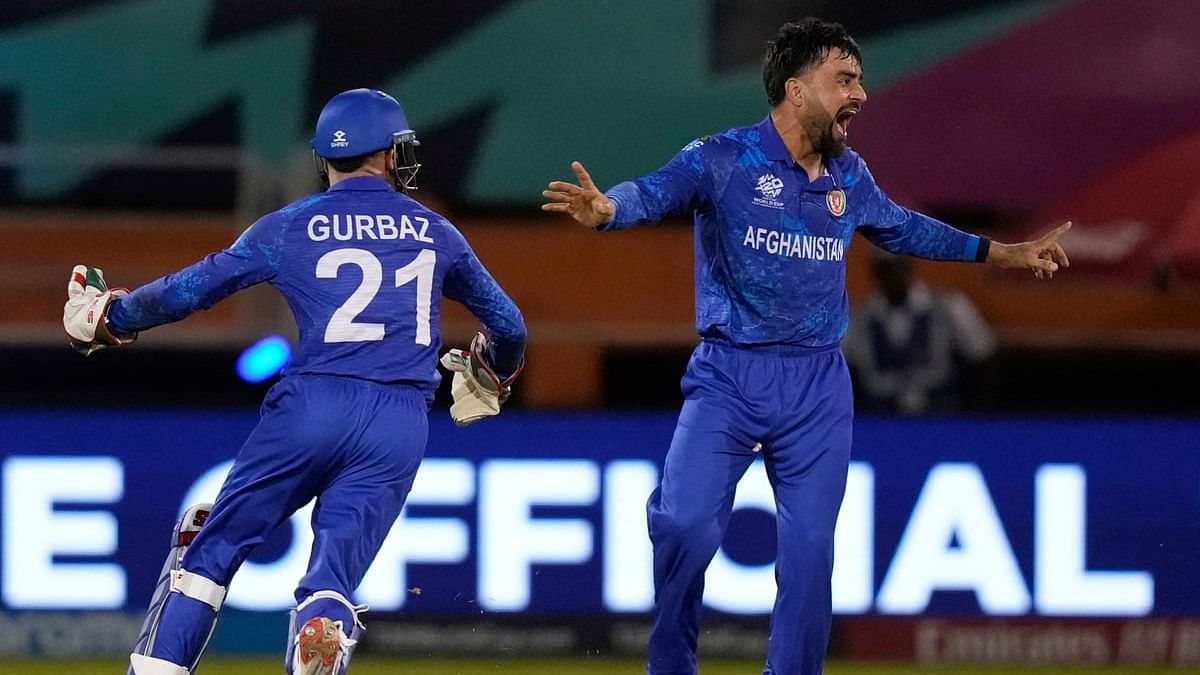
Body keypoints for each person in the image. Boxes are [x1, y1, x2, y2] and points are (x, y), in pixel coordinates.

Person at [541, 17, 1068, 675]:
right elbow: (651, 192)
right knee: (683, 527)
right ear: (796, 89)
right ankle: (670, 666)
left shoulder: (852, 175)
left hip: (817, 384)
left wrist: (1002, 252)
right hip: (729, 376)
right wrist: (611, 211)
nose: (862, 94)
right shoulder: (724, 158)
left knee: (812, 550)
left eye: (861, 79)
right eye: (845, 79)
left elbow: (902, 229)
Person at [63, 88, 526, 675]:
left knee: (208, 549)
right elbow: (509, 323)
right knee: (332, 581)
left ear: (325, 157)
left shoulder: (291, 226)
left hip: (312, 405)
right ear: (389, 155)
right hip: (398, 421)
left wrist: (111, 317)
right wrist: (494, 370)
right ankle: (320, 623)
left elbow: (194, 288)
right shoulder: (436, 232)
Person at [843, 250, 996, 415]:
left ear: (907, 266)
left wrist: (974, 414)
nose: (891, 275)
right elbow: (843, 369)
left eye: (896, 267)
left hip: (940, 413)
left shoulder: (949, 306)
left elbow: (982, 356)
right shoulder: (858, 319)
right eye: (885, 269)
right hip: (881, 416)